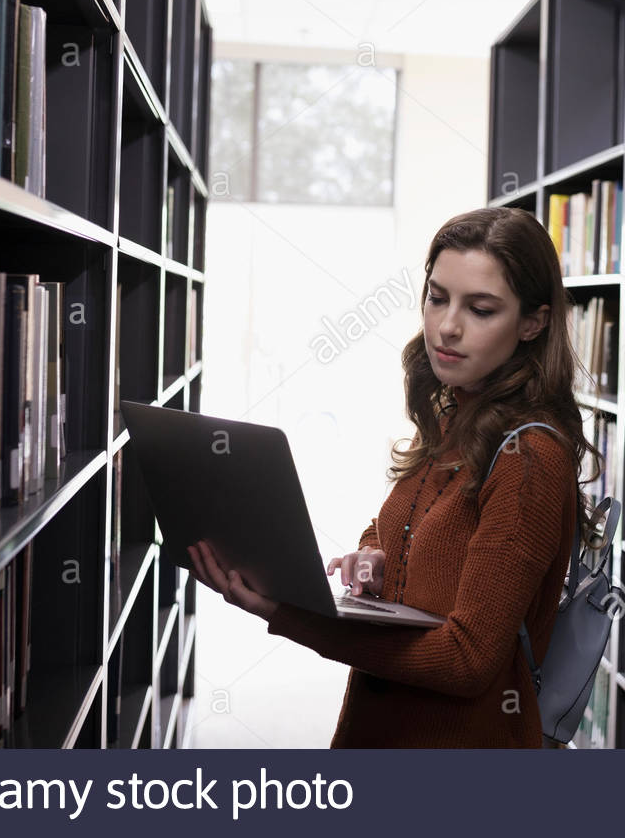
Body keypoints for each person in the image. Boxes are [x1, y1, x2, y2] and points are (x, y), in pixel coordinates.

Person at [188, 206, 602, 747]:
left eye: (480, 309)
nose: (447, 326)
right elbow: (400, 531)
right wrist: (373, 560)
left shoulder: (528, 458)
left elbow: (468, 659)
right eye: (437, 297)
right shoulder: (456, 414)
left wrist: (290, 616)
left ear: (533, 322)